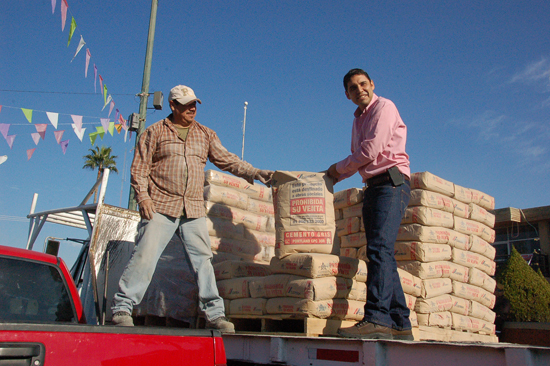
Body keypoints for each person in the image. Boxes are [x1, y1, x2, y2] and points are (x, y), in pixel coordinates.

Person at [111, 85, 273, 333]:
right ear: (173, 106)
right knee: (145, 254)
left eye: (194, 103)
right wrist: (143, 198)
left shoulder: (205, 134)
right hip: (161, 205)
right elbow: (139, 169)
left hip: (193, 209)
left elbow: (227, 159)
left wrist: (255, 172)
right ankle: (123, 307)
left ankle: (215, 314)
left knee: (203, 261)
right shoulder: (154, 132)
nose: (192, 108)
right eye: (186, 105)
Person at [327, 68, 413, 340]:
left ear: (372, 84)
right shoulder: (357, 120)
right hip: (374, 187)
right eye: (353, 88)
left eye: (363, 84)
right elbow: (360, 154)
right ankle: (400, 324)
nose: (359, 90)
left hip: (391, 183)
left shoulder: (384, 107)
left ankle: (377, 318)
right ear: (347, 95)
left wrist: (335, 171)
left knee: (379, 250)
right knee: (381, 252)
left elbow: (369, 151)